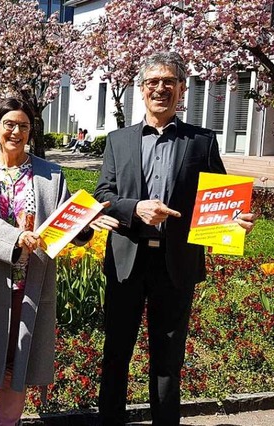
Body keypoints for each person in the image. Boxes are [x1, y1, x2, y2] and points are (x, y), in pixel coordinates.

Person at [94, 51, 255, 426]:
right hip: (126, 260)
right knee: (116, 352)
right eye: (153, 82)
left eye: (169, 82)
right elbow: (104, 195)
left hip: (176, 264)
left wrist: (236, 219)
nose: (161, 89)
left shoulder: (202, 141)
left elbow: (220, 197)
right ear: (141, 89)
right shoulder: (118, 140)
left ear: (182, 89)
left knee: (168, 358)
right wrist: (135, 209)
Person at [0, 97, 118, 426]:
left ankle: (7, 423)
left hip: (33, 282)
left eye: (24, 126)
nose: (16, 132)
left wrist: (84, 226)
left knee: (20, 360)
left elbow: (65, 224)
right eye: (9, 124)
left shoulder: (50, 174)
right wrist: (15, 238)